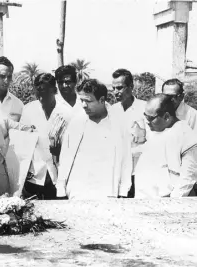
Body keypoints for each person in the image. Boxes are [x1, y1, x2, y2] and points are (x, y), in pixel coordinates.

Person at [56, 79, 132, 199]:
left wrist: (123, 191)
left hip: (107, 191)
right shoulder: (77, 122)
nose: (83, 105)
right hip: (78, 191)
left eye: (88, 101)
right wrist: (61, 189)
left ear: (102, 100)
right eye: (81, 100)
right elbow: (65, 157)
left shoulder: (118, 123)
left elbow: (126, 159)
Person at [21, 73, 73, 200]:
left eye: (45, 92)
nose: (41, 97)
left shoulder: (66, 112)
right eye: (38, 92)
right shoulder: (29, 110)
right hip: (34, 174)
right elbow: (23, 143)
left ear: (54, 90)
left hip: (58, 174)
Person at [135, 93, 197, 198]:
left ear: (167, 117)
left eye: (150, 118)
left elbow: (188, 177)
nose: (147, 122)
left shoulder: (185, 135)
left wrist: (171, 202)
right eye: (145, 116)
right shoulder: (157, 130)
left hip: (167, 203)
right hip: (145, 200)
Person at [111, 68, 148, 198]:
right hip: (118, 171)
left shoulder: (145, 108)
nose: (116, 92)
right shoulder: (112, 111)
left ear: (131, 86)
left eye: (120, 88)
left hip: (139, 171)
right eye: (114, 88)